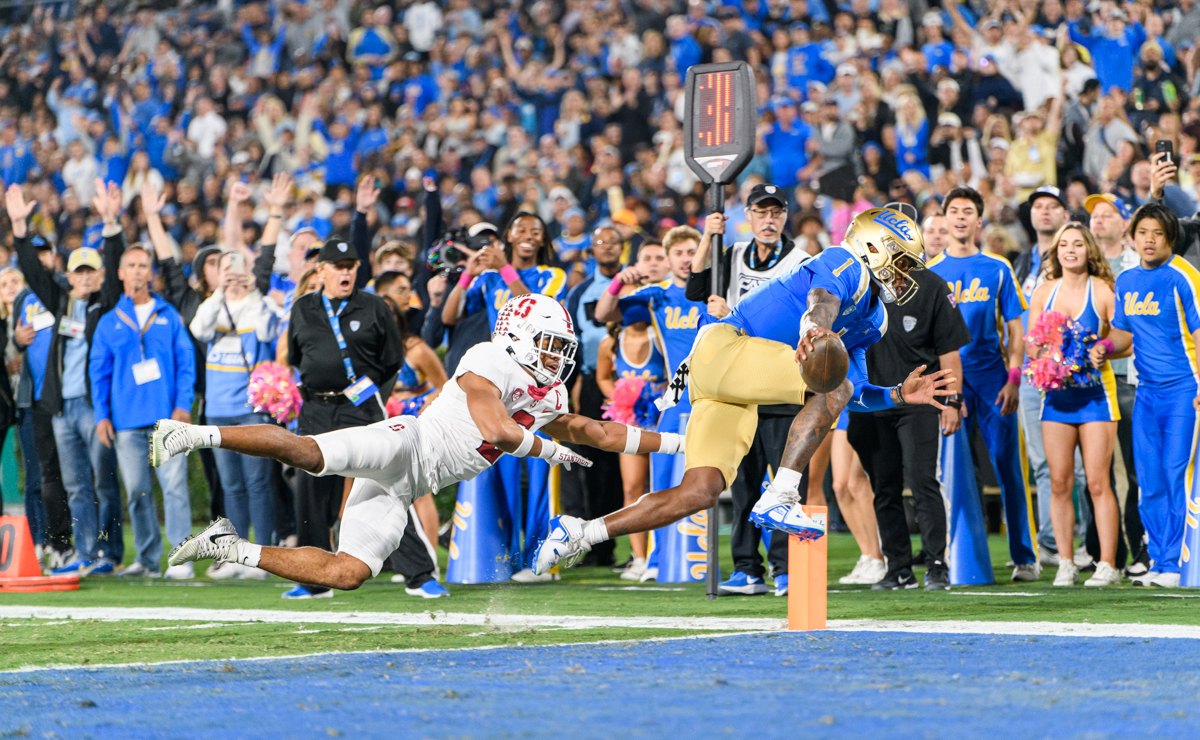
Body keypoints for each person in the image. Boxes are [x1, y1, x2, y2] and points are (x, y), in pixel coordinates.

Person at [157, 294, 683, 592]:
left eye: (559, 347)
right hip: (407, 443)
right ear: (519, 337)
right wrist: (548, 449)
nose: (556, 356)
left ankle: (227, 544)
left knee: (348, 574)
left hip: (411, 485)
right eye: (549, 344)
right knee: (310, 453)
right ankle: (192, 434)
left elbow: (602, 431)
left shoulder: (549, 391)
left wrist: (680, 443)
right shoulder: (489, 359)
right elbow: (498, 430)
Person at [534, 207, 954, 575]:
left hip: (734, 385)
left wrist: (897, 394)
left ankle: (581, 531)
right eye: (901, 261)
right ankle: (782, 493)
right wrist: (813, 328)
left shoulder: (875, 318)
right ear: (875, 248)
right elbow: (820, 299)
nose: (905, 274)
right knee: (830, 374)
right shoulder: (844, 261)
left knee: (700, 492)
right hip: (726, 346)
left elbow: (854, 393)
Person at [686, 183, 812, 596]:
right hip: (740, 387)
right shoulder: (733, 254)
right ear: (749, 216)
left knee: (786, 480)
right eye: (761, 213)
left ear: (785, 215)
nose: (769, 220)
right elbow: (695, 287)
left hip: (780, 382)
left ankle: (787, 566)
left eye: (776, 212)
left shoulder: (802, 261)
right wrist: (707, 234)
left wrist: (736, 314)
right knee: (742, 483)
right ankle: (746, 567)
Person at [441, 212, 568, 578]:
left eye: (536, 230)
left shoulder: (551, 276)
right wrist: (469, 272)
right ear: (508, 237)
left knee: (541, 471)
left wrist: (505, 269)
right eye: (521, 229)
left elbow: (536, 311)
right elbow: (450, 316)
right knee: (506, 467)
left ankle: (544, 562)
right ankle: (512, 558)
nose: (529, 235)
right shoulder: (489, 278)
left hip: (540, 383)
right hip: (504, 385)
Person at [7, 181, 125, 576]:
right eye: (79, 271)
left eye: (92, 270)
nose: (85, 277)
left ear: (100, 274)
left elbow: (116, 274)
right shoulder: (59, 302)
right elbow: (30, 270)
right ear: (69, 276)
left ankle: (112, 554)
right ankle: (87, 553)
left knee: (104, 483)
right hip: (61, 409)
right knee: (76, 485)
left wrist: (111, 224)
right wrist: (19, 229)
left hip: (94, 405)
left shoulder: (105, 305)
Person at [278, 238, 404, 598]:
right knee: (311, 492)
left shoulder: (374, 306)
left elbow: (392, 360)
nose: (346, 271)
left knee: (384, 482)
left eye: (351, 264)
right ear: (322, 271)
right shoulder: (304, 307)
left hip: (359, 407)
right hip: (317, 408)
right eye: (338, 265)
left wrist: (374, 393)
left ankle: (417, 572)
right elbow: (298, 355)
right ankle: (312, 581)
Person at [927, 187, 1039, 581]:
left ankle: (1024, 556)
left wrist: (1013, 379)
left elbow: (1015, 332)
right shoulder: (931, 274)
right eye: (953, 210)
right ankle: (953, 556)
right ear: (943, 218)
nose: (960, 217)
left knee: (1008, 466)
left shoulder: (998, 268)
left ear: (979, 220)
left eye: (968, 211)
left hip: (993, 381)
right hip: (949, 384)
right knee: (953, 470)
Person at [1092, 202, 1200, 588]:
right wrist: (1104, 346)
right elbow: (1124, 335)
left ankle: (1176, 563)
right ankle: (1159, 557)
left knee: (1175, 474)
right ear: (1131, 237)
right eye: (1143, 233)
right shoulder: (1126, 281)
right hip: (1146, 393)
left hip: (1184, 392)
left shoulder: (1184, 277)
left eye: (1157, 233)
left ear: (1170, 236)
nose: (1149, 240)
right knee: (1149, 479)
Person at [847, 259, 971, 591]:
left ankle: (935, 565)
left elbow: (949, 352)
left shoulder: (931, 285)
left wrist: (953, 401)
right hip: (871, 400)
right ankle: (898, 567)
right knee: (883, 488)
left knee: (922, 481)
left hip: (918, 401)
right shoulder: (856, 282)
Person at [594, 224, 708, 581]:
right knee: (660, 483)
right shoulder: (655, 295)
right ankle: (657, 559)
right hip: (674, 400)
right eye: (679, 253)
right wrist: (617, 282)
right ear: (671, 258)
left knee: (716, 481)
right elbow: (603, 314)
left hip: (712, 397)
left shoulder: (712, 293)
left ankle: (745, 564)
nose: (686, 259)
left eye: (692, 252)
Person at [89, 244, 196, 579]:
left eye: (143, 265)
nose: (137, 270)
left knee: (174, 487)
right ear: (120, 273)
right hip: (125, 421)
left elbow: (186, 363)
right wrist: (101, 416)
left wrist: (184, 404)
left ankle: (181, 560)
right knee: (136, 491)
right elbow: (98, 372)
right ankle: (148, 560)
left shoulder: (169, 315)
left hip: (168, 419)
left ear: (151, 273)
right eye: (131, 265)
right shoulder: (109, 322)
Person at [1028, 223, 1122, 587]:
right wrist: (1049, 352)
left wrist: (1103, 347)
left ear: (1089, 249)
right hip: (1056, 399)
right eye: (1064, 244)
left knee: (1098, 482)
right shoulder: (1044, 293)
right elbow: (1033, 345)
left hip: (1096, 396)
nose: (1070, 249)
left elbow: (1123, 333)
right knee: (1059, 481)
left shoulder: (1101, 290)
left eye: (1078, 243)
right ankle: (1066, 562)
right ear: (1056, 252)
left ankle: (1107, 565)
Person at [188, 250, 283, 579]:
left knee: (258, 484)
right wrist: (218, 293)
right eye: (226, 268)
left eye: (238, 267)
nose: (232, 273)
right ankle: (237, 555)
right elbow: (198, 329)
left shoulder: (261, 303)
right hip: (218, 409)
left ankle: (263, 556)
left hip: (251, 409)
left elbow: (270, 332)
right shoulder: (212, 306)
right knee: (231, 486)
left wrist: (255, 292)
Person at [1012, 186, 1086, 566]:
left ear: (1064, 215)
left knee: (1079, 468)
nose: (1043, 212)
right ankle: (1051, 544)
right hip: (1031, 374)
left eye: (1052, 206)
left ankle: (1083, 542)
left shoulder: (1077, 263)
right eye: (1038, 207)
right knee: (1042, 462)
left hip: (1073, 373)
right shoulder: (1022, 262)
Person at [1085, 192, 1147, 574]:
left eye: (1108, 214)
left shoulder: (1137, 265)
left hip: (1131, 380)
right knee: (1095, 472)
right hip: (1091, 382)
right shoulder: (1077, 267)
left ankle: (1142, 545)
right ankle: (1102, 552)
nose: (1099, 220)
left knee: (1139, 469)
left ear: (1125, 223)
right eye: (1094, 215)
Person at [562, 227, 627, 571]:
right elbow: (570, 341)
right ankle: (596, 543)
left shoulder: (635, 283)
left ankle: (625, 546)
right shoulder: (580, 292)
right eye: (601, 242)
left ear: (622, 248)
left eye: (613, 242)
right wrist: (569, 388)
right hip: (591, 382)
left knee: (626, 466)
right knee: (593, 464)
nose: (607, 248)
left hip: (634, 378)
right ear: (591, 250)